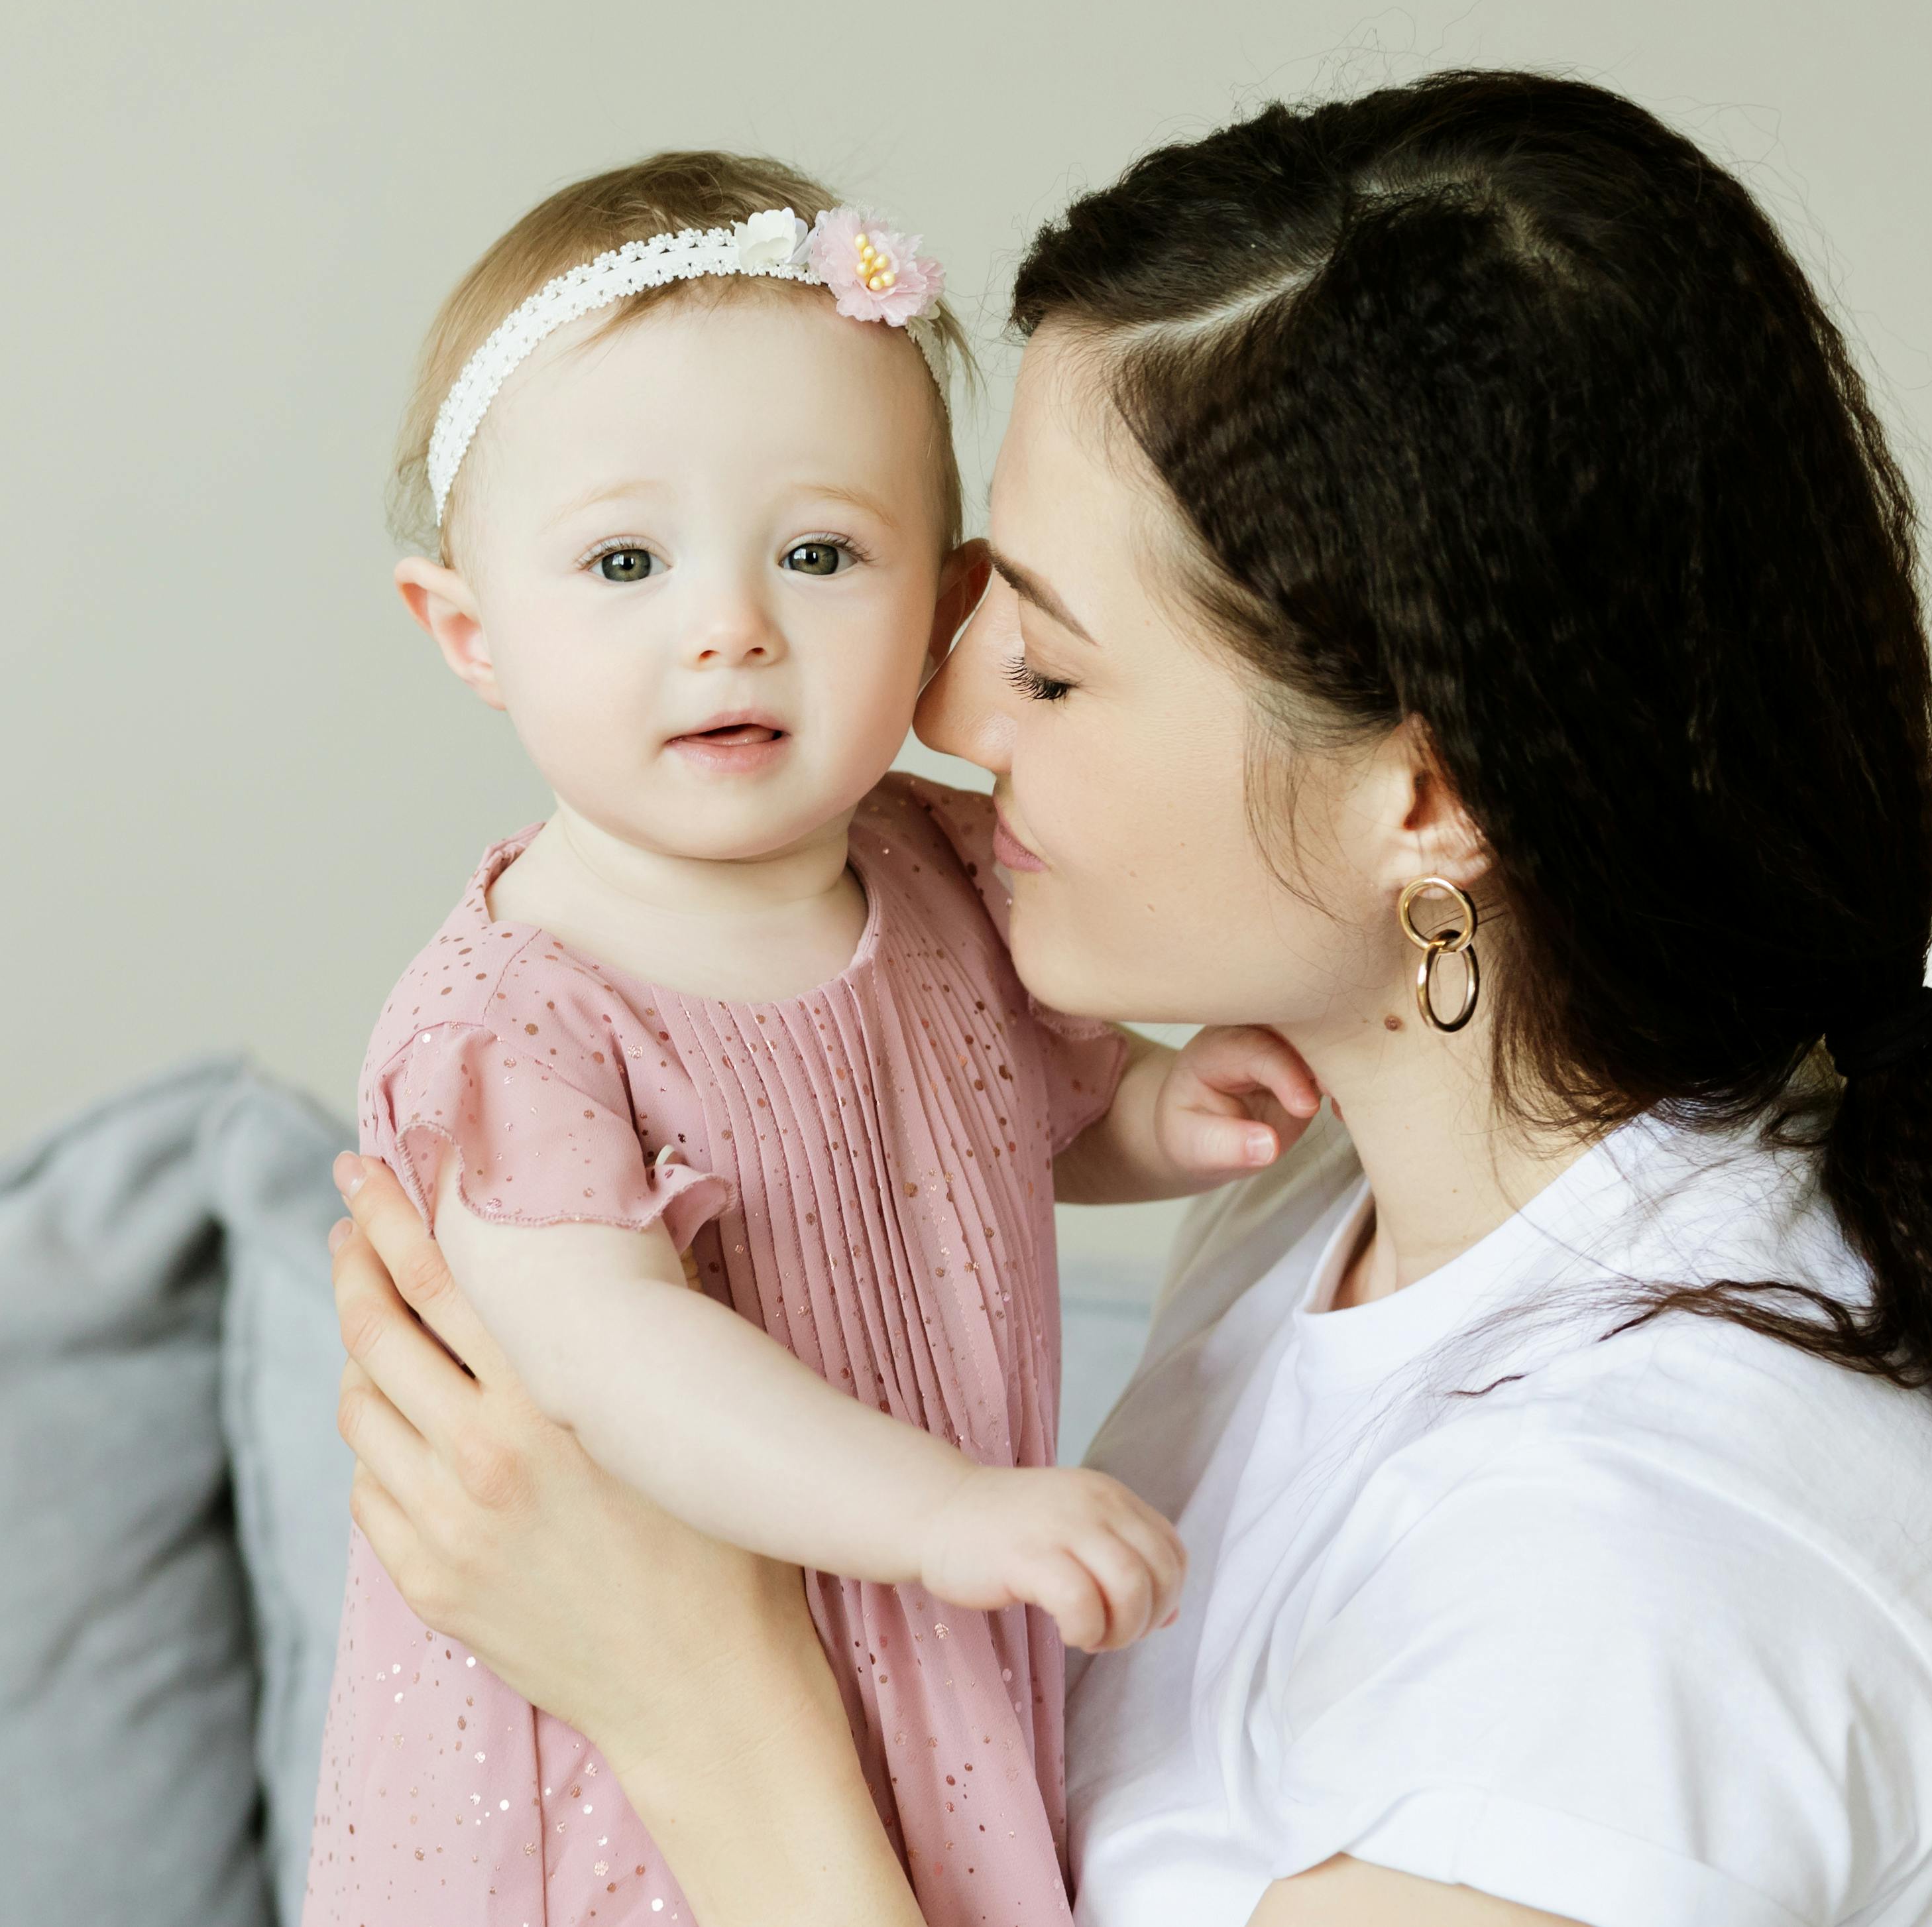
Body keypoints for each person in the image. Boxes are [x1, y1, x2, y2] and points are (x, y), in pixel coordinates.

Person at [324, 78, 1932, 1927]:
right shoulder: (1343, 1204)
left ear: (1419, 794)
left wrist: (698, 1697)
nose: (931, 714)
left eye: (1036, 661)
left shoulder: (1631, 1584)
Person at [311, 151, 1326, 1927]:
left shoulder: (937, 871)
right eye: (624, 558)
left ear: (942, 610)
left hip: (916, 1643)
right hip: (631, 1717)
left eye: (817, 550)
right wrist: (939, 1510)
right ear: (467, 631)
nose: (729, 623)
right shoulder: (513, 1021)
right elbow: (611, 1357)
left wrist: (1160, 1109)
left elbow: (1002, 1115)